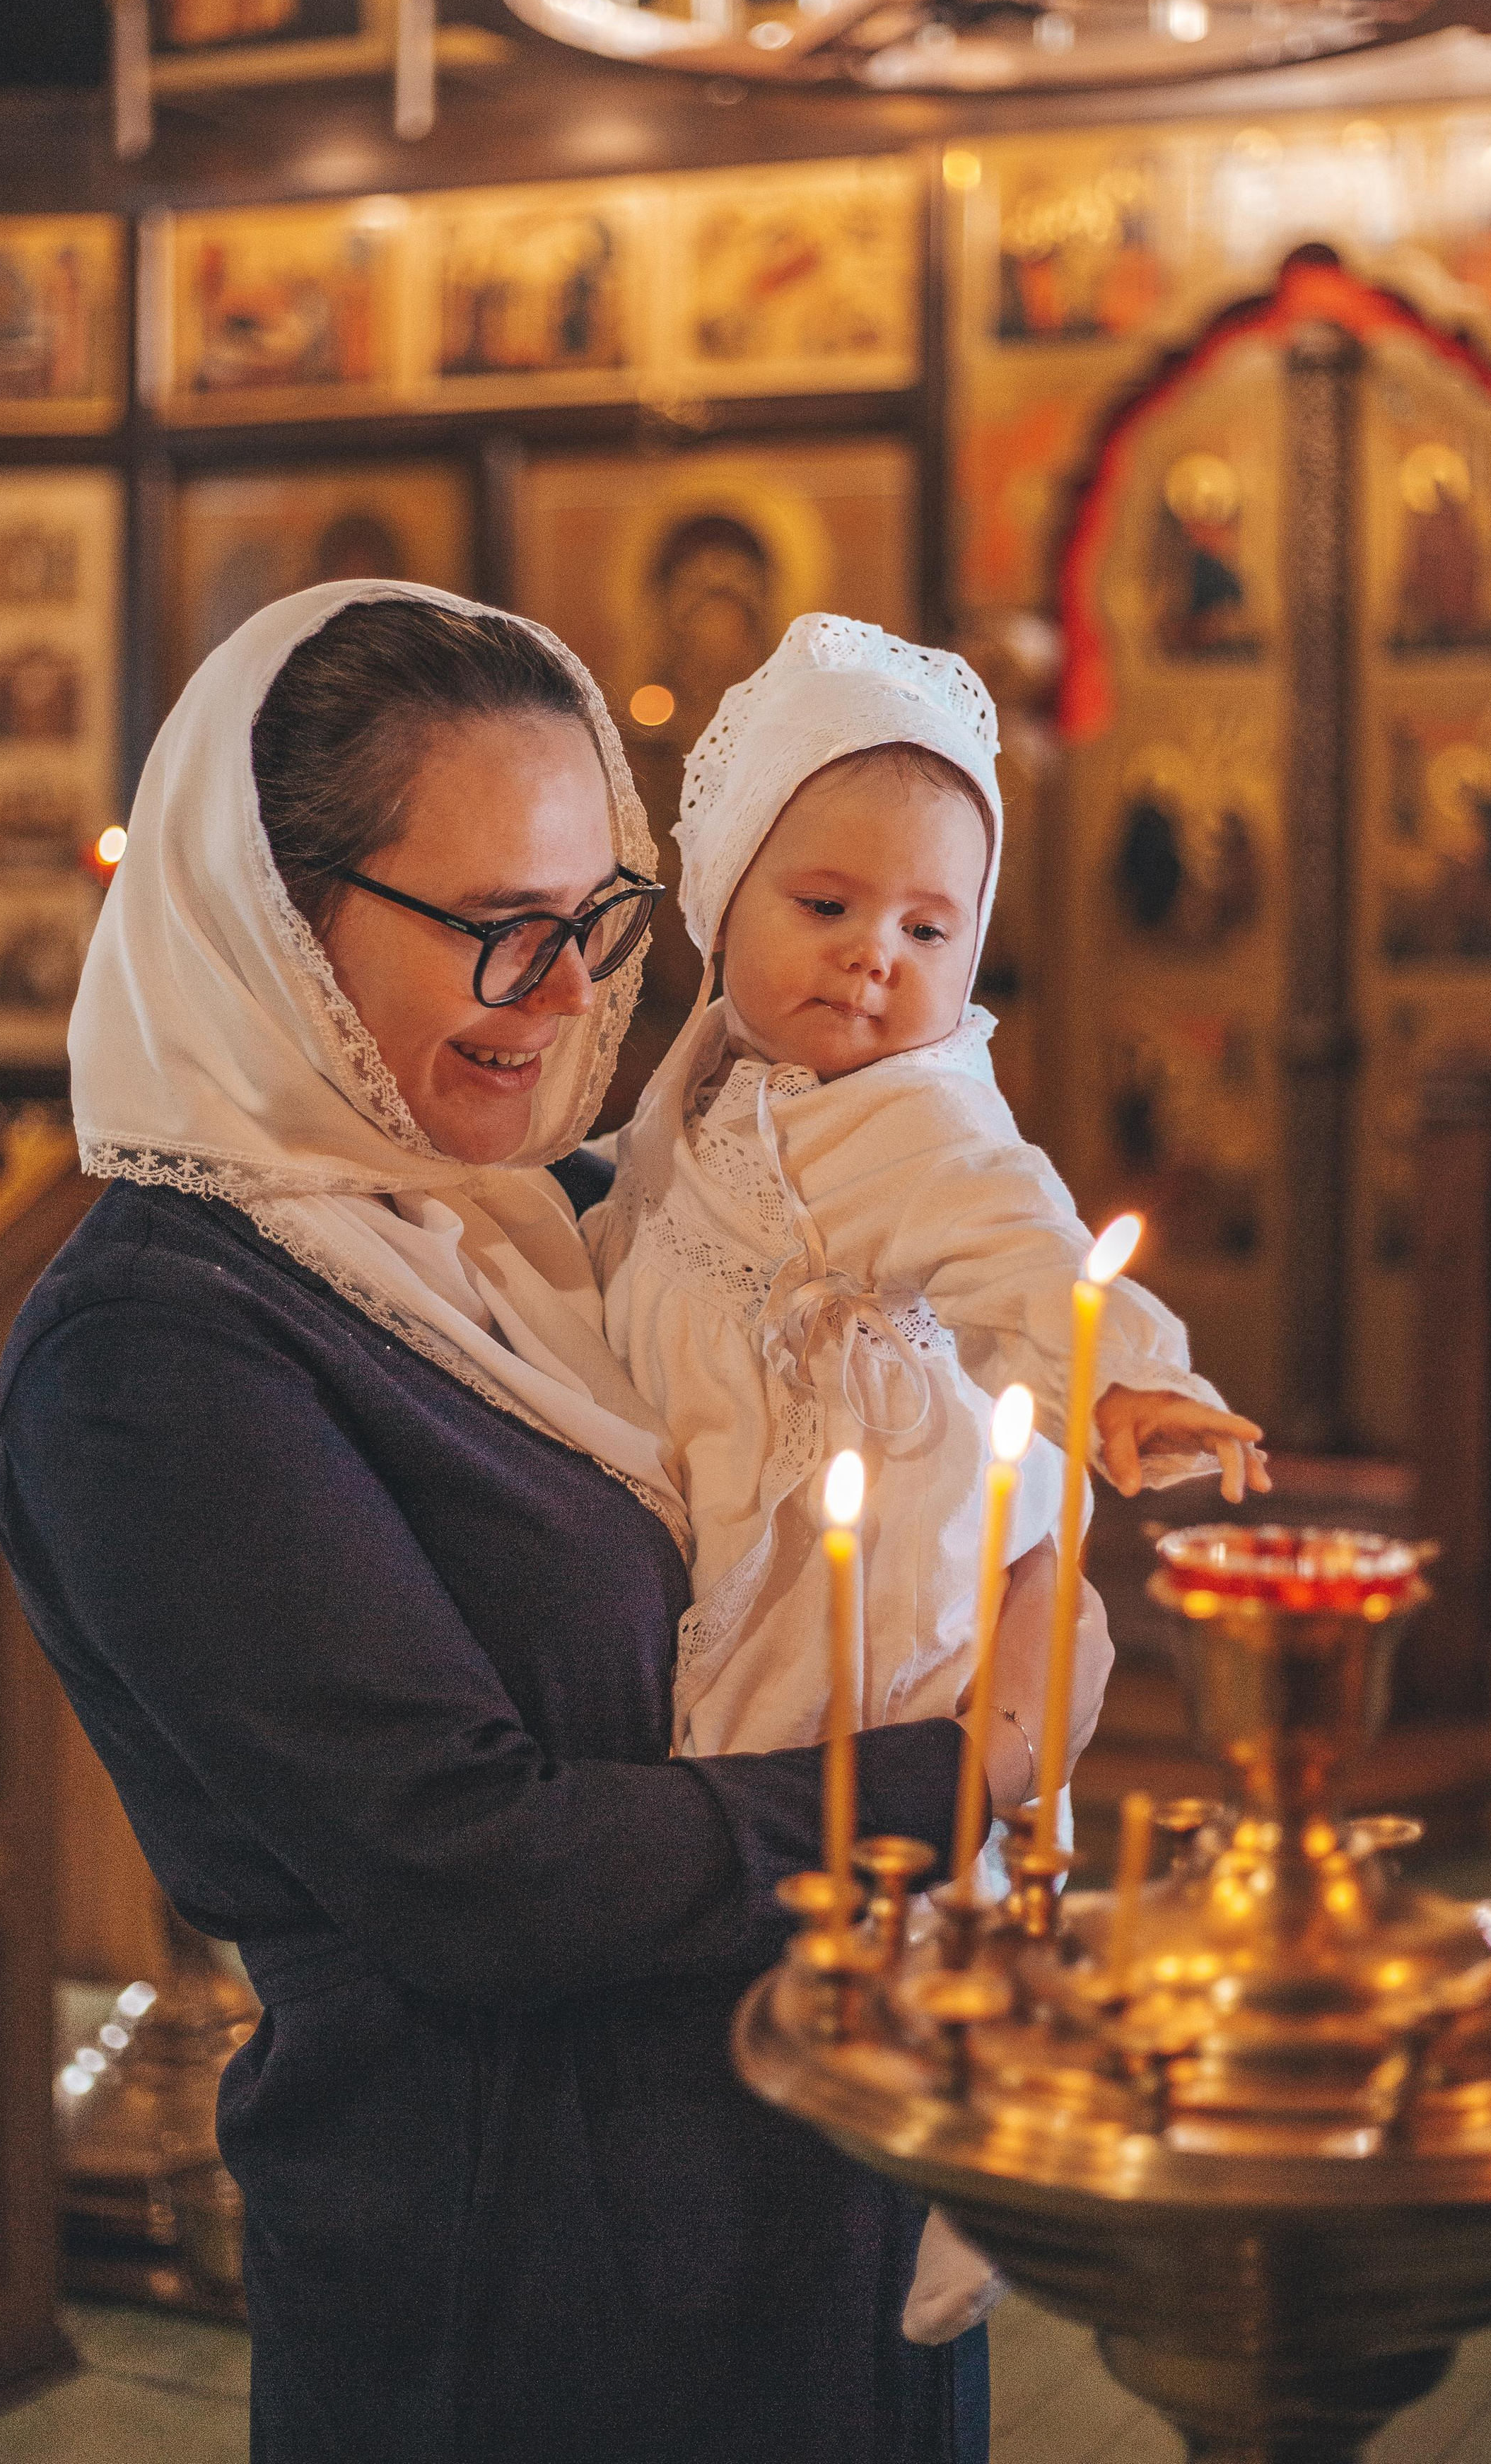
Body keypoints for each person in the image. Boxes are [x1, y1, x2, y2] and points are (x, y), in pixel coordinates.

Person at [0, 580, 1114, 2464]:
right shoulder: (159, 1347)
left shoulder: (544, 1221)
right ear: (274, 915)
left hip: (814, 2177)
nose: (578, 993)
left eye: (596, 919)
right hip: (528, 2281)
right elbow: (474, 1871)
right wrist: (958, 1773)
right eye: (503, 929)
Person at [587, 614, 1269, 2337]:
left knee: (880, 1841)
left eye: (925, 928)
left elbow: (1031, 1251)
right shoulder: (693, 1091)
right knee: (769, 1849)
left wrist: (1135, 1382)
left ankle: (953, 2171)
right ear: (722, 901)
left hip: (867, 1541)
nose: (871, 962)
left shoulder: (922, 1114)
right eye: (824, 906)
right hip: (737, 1521)